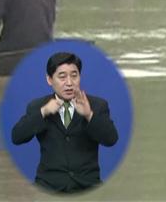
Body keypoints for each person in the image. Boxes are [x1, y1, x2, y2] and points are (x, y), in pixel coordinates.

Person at [11, 52, 119, 194]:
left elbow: (111, 139)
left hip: (87, 187)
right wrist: (43, 112)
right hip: (48, 187)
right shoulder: (38, 106)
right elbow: (17, 137)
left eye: (74, 76)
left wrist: (89, 115)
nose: (69, 83)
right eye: (62, 77)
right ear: (49, 79)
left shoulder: (97, 105)